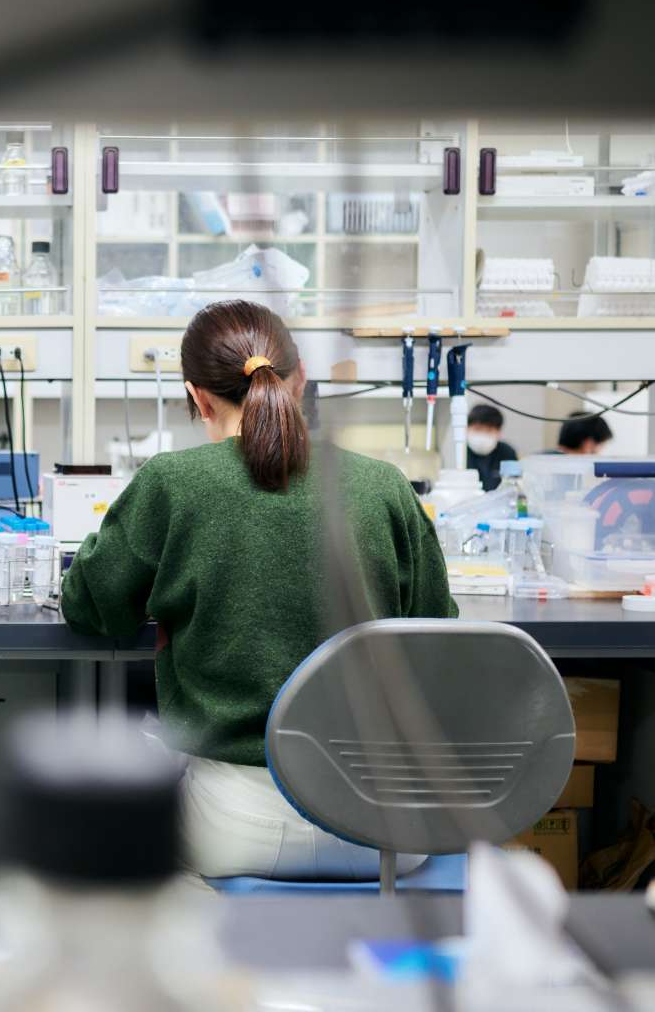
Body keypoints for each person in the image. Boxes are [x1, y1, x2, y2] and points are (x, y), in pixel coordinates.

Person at [59, 299, 457, 882]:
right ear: (300, 379)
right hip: (386, 828)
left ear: (197, 397)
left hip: (237, 830)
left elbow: (91, 608)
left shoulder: (173, 482)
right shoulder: (384, 487)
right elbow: (439, 636)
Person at [465, 404, 519, 491]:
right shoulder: (460, 453)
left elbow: (514, 486)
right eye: (478, 429)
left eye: (489, 430)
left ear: (498, 432)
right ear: (467, 428)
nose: (483, 435)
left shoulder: (507, 452)